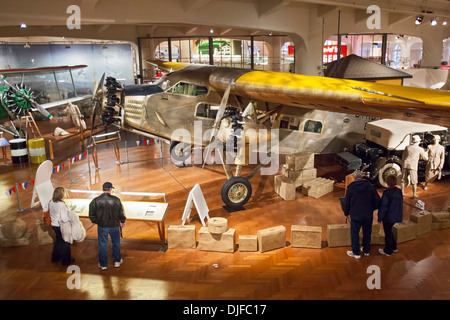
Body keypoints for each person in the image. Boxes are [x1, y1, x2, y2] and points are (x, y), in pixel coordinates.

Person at [344, 170, 381, 259]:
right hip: (368, 214)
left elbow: (347, 202)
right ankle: (366, 250)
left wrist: (346, 213)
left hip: (355, 215)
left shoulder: (351, 188)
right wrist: (372, 208)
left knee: (355, 233)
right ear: (362, 176)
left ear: (354, 177)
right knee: (367, 232)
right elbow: (377, 200)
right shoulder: (370, 187)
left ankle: (356, 253)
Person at [89, 182, 126, 270]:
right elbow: (121, 212)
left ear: (103, 189)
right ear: (110, 189)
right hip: (114, 226)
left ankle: (103, 264)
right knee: (116, 243)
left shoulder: (95, 200)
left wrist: (97, 221)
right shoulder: (116, 200)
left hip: (102, 226)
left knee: (102, 244)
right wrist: (122, 221)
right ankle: (117, 261)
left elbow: (91, 214)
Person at [377, 175, 403, 256]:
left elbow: (383, 207)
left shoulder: (387, 193)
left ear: (387, 182)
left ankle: (387, 251)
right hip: (396, 215)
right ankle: (394, 247)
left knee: (387, 233)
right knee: (390, 232)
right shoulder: (399, 191)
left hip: (388, 217)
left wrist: (379, 218)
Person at [49, 187, 74, 266]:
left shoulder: (51, 202)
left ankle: (55, 258)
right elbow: (64, 218)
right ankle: (66, 260)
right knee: (66, 242)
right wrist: (70, 219)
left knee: (58, 241)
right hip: (61, 226)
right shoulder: (62, 205)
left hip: (54, 225)